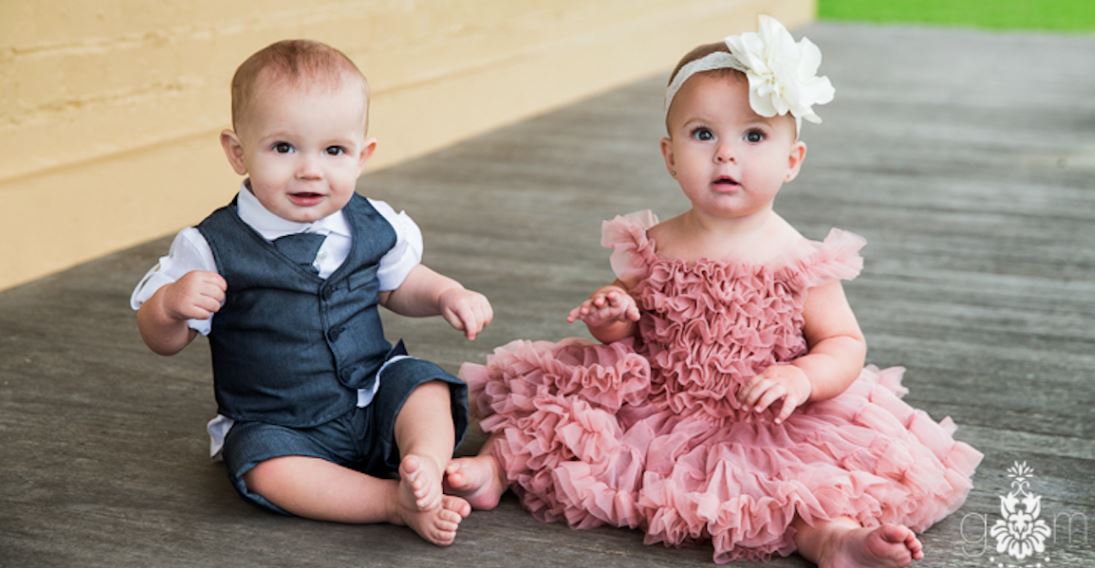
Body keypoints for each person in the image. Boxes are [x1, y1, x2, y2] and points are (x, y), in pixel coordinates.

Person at [444, 16, 981, 566]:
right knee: (563, 409)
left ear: (792, 161)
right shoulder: (656, 242)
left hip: (767, 415)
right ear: (670, 155)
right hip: (657, 399)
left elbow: (844, 342)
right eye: (704, 134)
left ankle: (833, 537)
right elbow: (629, 329)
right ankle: (496, 469)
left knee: (793, 479)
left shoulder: (800, 260)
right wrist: (613, 312)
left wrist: (801, 377)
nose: (727, 154)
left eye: (753, 136)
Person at [130, 39, 493, 546]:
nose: (310, 169)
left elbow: (398, 285)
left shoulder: (371, 223)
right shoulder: (211, 246)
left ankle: (426, 467)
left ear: (362, 156)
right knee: (265, 468)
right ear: (238, 153)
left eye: (334, 151)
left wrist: (445, 294)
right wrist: (169, 306)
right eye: (283, 147)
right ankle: (389, 502)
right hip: (280, 423)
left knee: (424, 386)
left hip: (370, 395)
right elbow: (161, 339)